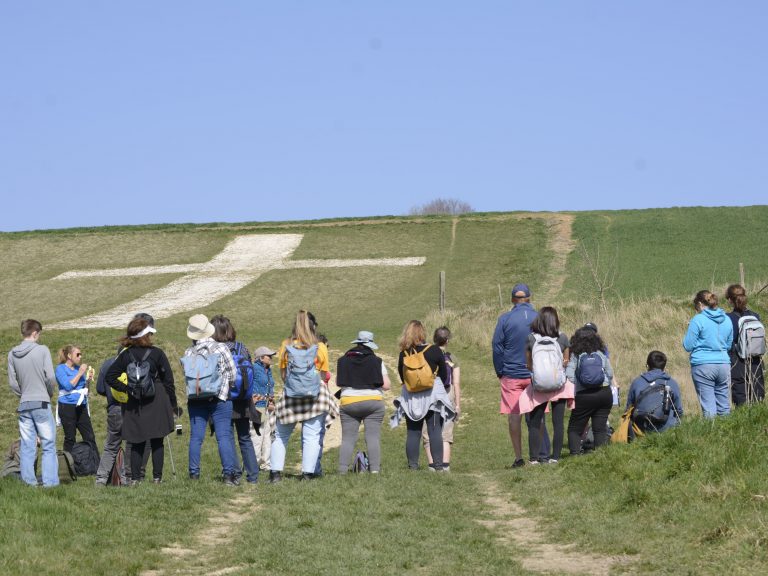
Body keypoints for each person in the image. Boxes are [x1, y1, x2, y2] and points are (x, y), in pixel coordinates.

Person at [106, 316, 176, 484]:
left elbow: (110, 376)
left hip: (134, 401)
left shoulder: (126, 355)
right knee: (157, 440)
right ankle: (157, 478)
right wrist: (172, 403)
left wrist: (128, 389)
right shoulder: (157, 353)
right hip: (157, 399)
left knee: (136, 441)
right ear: (145, 335)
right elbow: (168, 381)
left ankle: (135, 479)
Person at [270, 310, 337, 482]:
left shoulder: (286, 345)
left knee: (281, 435)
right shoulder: (320, 347)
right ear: (313, 327)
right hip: (315, 396)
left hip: (291, 395)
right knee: (312, 436)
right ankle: (307, 474)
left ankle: (275, 473)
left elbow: (283, 374)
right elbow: (324, 374)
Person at [182, 314, 240, 485]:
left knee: (196, 438)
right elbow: (232, 374)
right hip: (219, 398)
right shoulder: (221, 348)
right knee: (223, 436)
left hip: (196, 398)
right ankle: (229, 475)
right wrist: (223, 385)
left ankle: (194, 474)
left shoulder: (188, 351)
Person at [391, 320, 455, 471]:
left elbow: (402, 376)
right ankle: (438, 465)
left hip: (411, 396)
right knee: (434, 431)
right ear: (422, 333)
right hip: (432, 395)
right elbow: (444, 374)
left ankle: (413, 466)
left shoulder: (403, 354)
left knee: (413, 432)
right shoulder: (434, 350)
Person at [492, 283, 539, 468]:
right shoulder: (538, 318)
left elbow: (497, 346)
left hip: (511, 373)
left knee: (514, 415)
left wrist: (499, 370)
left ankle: (519, 457)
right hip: (535, 374)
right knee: (538, 415)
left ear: (513, 299)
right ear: (529, 298)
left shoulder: (505, 319)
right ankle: (538, 456)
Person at [518, 307, 574, 464]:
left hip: (539, 386)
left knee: (535, 421)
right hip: (558, 386)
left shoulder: (531, 339)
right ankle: (555, 457)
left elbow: (528, 365)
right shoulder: (562, 338)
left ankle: (534, 459)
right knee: (558, 423)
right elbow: (566, 362)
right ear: (555, 321)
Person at [7, 319, 59, 487]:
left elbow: (13, 383)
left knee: (27, 446)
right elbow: (50, 377)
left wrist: (23, 395)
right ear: (35, 333)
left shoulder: (12, 354)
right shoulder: (42, 350)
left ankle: (29, 483)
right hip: (41, 402)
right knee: (48, 445)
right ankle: (50, 483)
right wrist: (48, 393)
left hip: (24, 404)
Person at [210, 314, 259, 485]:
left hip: (223, 398)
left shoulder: (214, 350)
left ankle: (235, 473)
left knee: (227, 437)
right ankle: (253, 475)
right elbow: (250, 368)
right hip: (243, 399)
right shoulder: (241, 347)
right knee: (245, 437)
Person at [336, 331, 391, 474]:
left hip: (349, 402)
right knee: (372, 437)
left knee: (348, 438)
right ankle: (374, 470)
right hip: (373, 402)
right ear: (370, 344)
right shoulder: (376, 361)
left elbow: (339, 382)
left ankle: (342, 470)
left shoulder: (343, 360)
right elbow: (386, 385)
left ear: (357, 343)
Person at [683, 290, 733, 418]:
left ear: (700, 304)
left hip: (703, 365)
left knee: (709, 408)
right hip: (723, 364)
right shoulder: (726, 319)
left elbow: (688, 345)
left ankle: (711, 435)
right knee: (724, 406)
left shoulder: (698, 319)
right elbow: (728, 344)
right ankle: (727, 434)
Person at [566, 327, 614, 455]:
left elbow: (569, 374)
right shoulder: (601, 353)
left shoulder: (576, 355)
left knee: (574, 428)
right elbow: (610, 373)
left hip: (584, 395)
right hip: (604, 393)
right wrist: (604, 382)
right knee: (600, 428)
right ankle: (600, 455)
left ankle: (575, 455)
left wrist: (581, 383)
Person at [422, 326, 462, 471]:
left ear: (434, 339)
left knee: (428, 430)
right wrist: (457, 404)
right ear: (447, 340)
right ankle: (445, 465)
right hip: (447, 392)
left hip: (430, 393)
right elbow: (456, 383)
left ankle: (432, 464)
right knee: (446, 430)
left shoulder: (426, 354)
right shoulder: (452, 358)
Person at [725, 284, 765, 406]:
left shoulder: (728, 318)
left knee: (740, 394)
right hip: (756, 360)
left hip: (737, 360)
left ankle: (743, 421)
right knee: (757, 392)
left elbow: (727, 341)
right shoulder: (755, 316)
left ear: (729, 300)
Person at [626, 351, 683, 433]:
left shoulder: (637, 382)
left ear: (647, 365)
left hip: (641, 429)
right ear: (665, 367)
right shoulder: (672, 383)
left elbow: (628, 409)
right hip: (667, 428)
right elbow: (679, 410)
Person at [54, 345, 97, 454]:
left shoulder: (78, 369)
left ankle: (95, 464)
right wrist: (80, 373)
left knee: (89, 436)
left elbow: (85, 390)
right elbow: (68, 386)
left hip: (81, 405)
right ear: (69, 356)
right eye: (77, 354)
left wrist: (88, 379)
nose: (80, 357)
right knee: (70, 438)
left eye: (81, 354)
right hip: (67, 406)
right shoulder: (60, 369)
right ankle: (68, 466)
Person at [250, 345, 277, 471]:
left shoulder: (268, 370)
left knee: (267, 436)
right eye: (269, 356)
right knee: (257, 435)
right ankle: (253, 463)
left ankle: (266, 463)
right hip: (257, 407)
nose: (271, 358)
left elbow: (269, 386)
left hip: (267, 407)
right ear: (261, 358)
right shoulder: (254, 368)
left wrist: (271, 400)